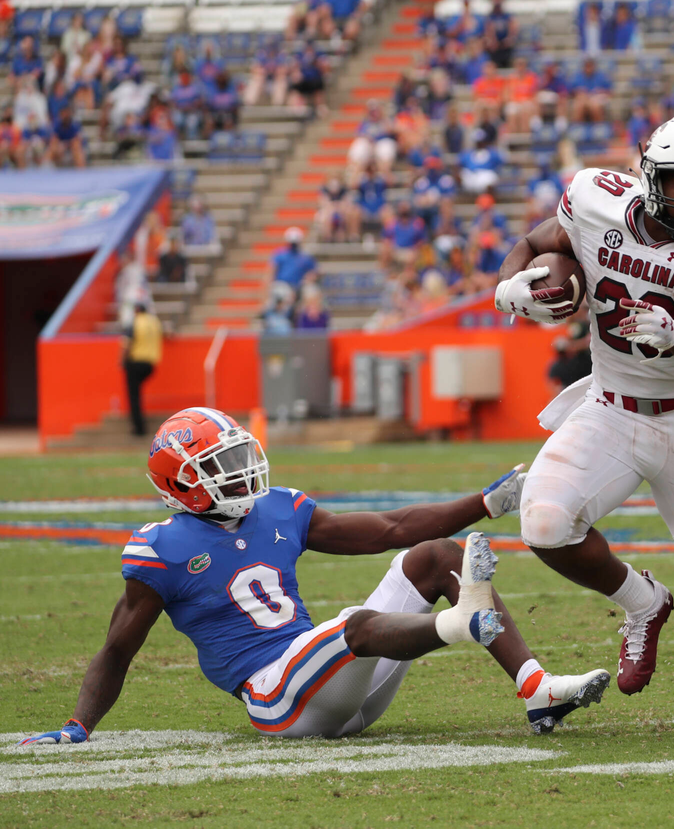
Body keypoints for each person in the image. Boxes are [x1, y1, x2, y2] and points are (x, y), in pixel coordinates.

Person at [16, 408, 610, 745]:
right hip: (276, 700)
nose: (241, 472)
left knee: (434, 555)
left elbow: (390, 529)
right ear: (181, 485)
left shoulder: (276, 508)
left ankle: (535, 688)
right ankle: (460, 624)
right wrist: (77, 724)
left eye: (237, 455)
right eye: (218, 466)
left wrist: (485, 502)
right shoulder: (162, 550)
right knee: (356, 624)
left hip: (340, 685)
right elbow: (117, 648)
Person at [494, 115, 674, 728]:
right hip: (610, 407)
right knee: (543, 521)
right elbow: (542, 243)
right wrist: (513, 279)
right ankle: (643, 603)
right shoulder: (596, 199)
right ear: (649, 174)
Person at [121, 303, 162, 437]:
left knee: (134, 396)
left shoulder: (135, 322)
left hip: (135, 362)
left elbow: (127, 343)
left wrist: (122, 360)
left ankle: (139, 428)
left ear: (136, 311)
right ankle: (140, 425)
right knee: (137, 394)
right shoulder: (154, 322)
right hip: (150, 364)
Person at [269, 227, 317, 295]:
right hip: (282, 286)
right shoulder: (280, 254)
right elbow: (272, 270)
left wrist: (306, 280)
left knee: (310, 290)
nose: (293, 245)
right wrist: (270, 284)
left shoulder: (305, 257)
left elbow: (313, 272)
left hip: (298, 287)